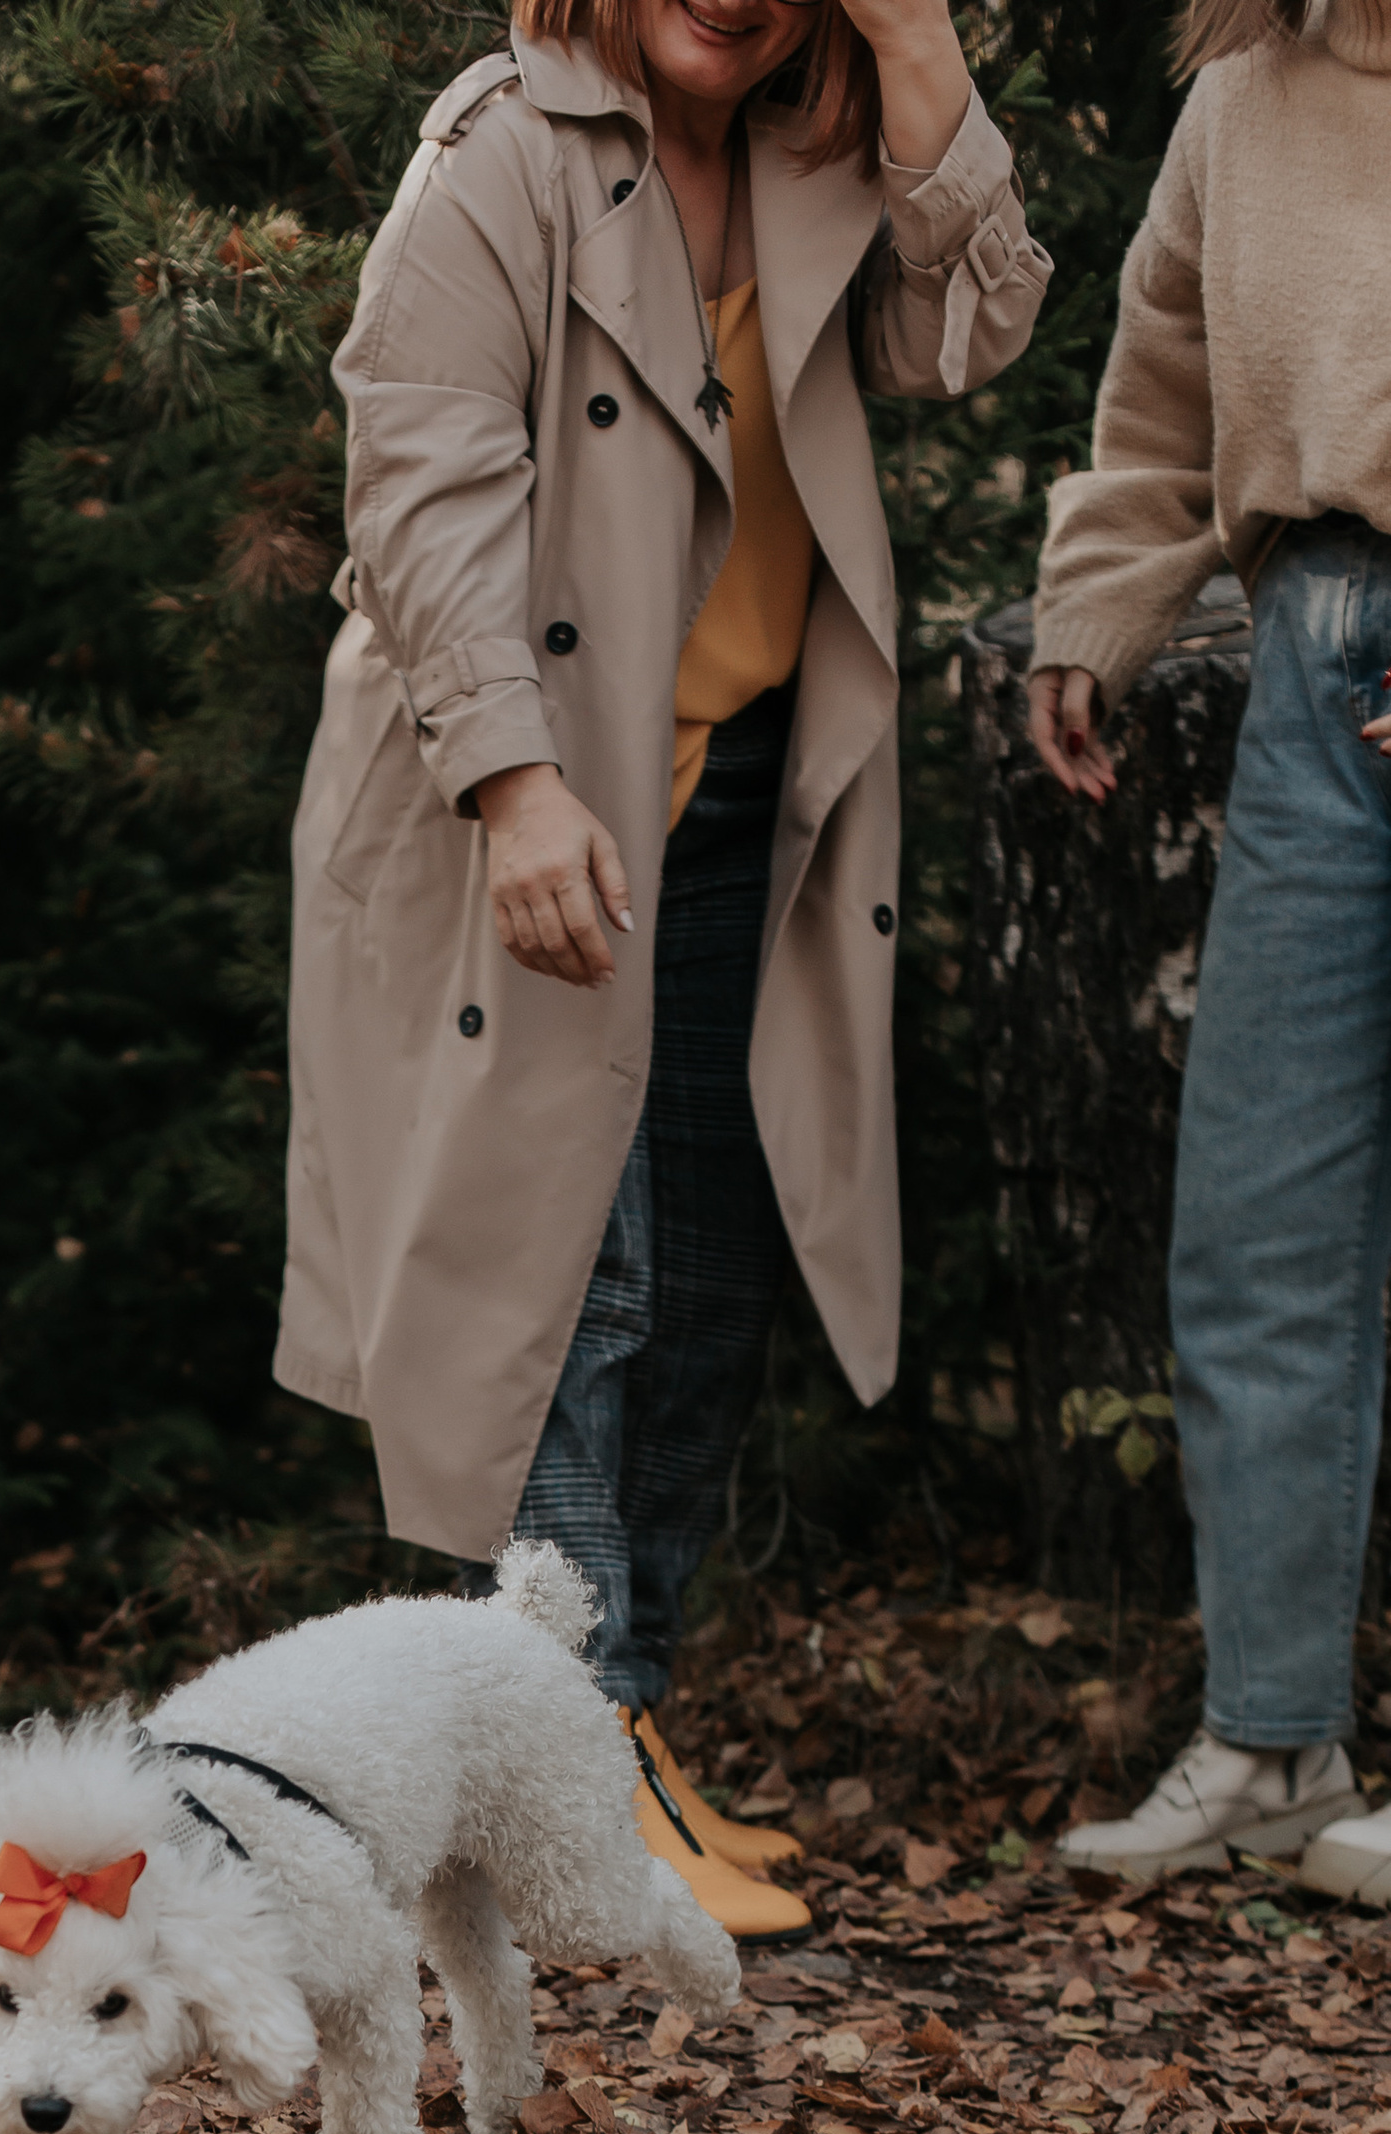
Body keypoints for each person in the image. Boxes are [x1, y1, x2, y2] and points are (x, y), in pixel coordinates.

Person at [278, 0, 1047, 1939]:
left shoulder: (810, 159)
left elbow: (977, 323)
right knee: (569, 1286)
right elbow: (419, 478)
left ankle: (617, 1736)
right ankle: (573, 1762)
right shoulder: (498, 155)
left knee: (704, 1266)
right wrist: (514, 783)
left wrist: (917, 42)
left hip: (731, 805)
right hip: (526, 805)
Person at [1038, 0, 1391, 1895]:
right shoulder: (1242, 100)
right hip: (1313, 670)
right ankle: (1275, 1741)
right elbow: (1160, 384)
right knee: (1261, 1227)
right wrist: (1092, 624)